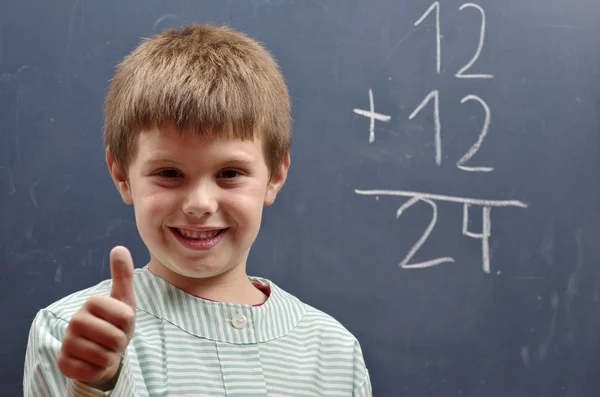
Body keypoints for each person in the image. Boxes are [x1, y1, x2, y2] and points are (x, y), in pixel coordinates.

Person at [23, 24, 372, 396]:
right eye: (169, 173)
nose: (199, 205)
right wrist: (97, 384)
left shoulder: (335, 352)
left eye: (230, 173)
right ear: (122, 176)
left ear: (275, 176)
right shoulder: (72, 331)